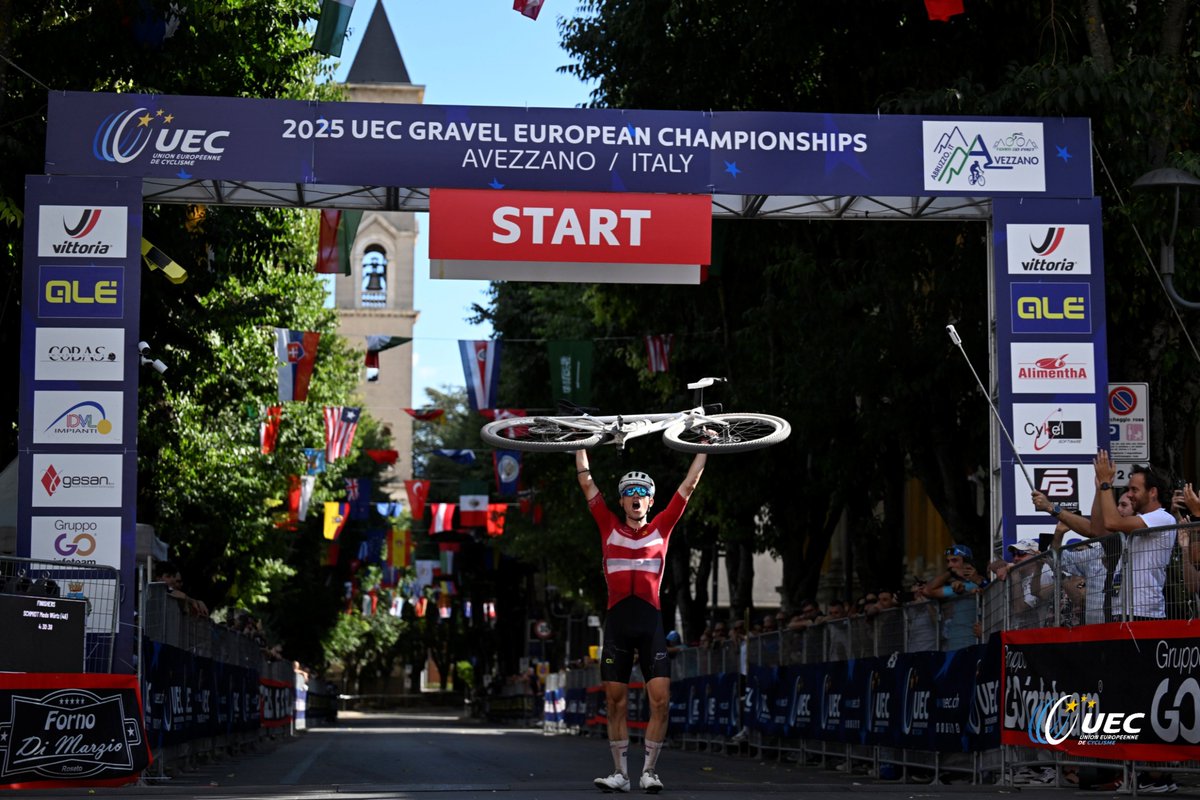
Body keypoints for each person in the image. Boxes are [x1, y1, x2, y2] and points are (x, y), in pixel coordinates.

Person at [575, 448, 708, 794]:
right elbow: (587, 483)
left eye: (642, 493)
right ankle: (620, 773)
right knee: (615, 699)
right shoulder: (607, 525)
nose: (636, 497)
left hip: (650, 622)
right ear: (621, 501)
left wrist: (705, 447)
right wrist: (581, 441)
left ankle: (649, 771)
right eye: (629, 492)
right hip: (618, 622)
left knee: (660, 699)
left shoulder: (663, 526)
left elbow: (689, 485)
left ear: (651, 501)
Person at [1092, 452, 1176, 621]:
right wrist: (1100, 489)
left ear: (1152, 492)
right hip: (1122, 610)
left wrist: (1107, 484)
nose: (1129, 494)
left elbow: (1111, 523)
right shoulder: (1136, 522)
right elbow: (1097, 529)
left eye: (1134, 489)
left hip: (1144, 612)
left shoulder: (1163, 518)